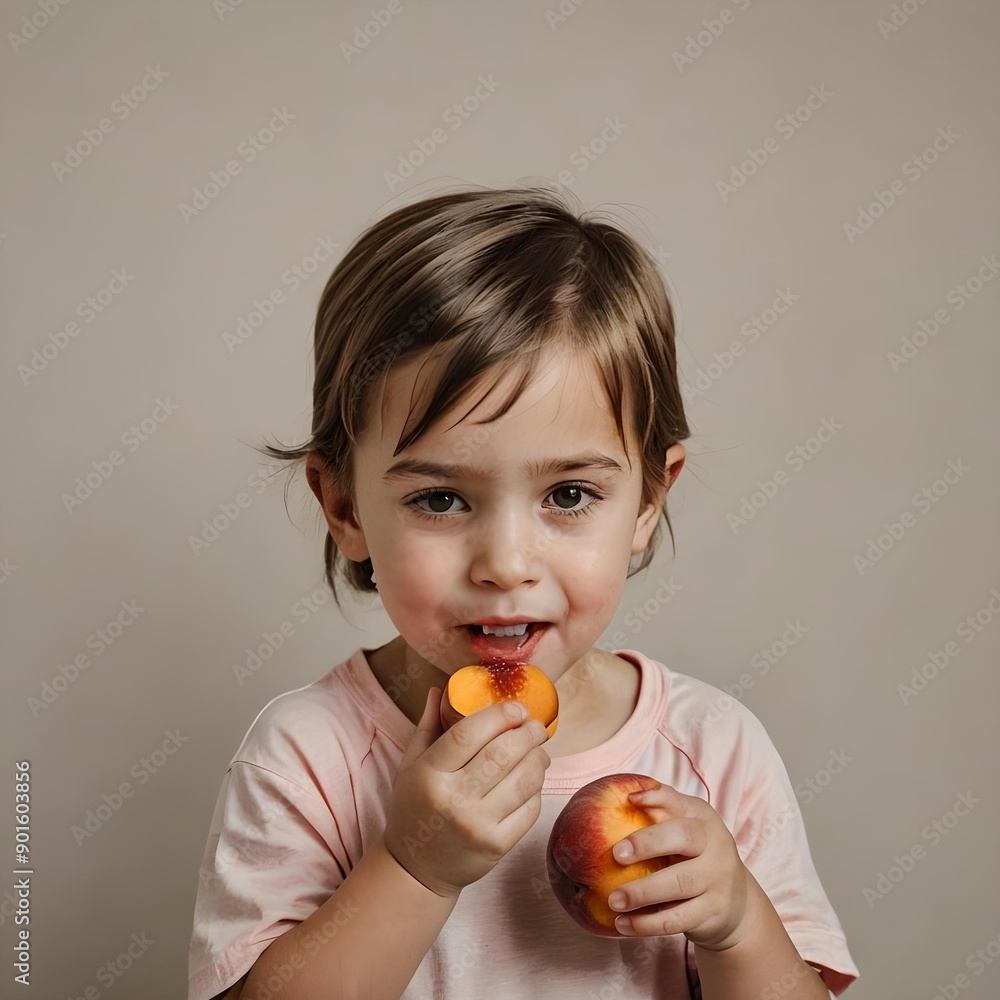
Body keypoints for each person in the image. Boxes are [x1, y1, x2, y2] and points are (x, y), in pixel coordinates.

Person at [188, 184, 859, 1000]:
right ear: (344, 508)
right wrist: (410, 868)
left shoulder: (711, 750)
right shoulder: (307, 758)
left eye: (569, 495)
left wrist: (738, 923)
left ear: (649, 498)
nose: (506, 564)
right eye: (440, 498)